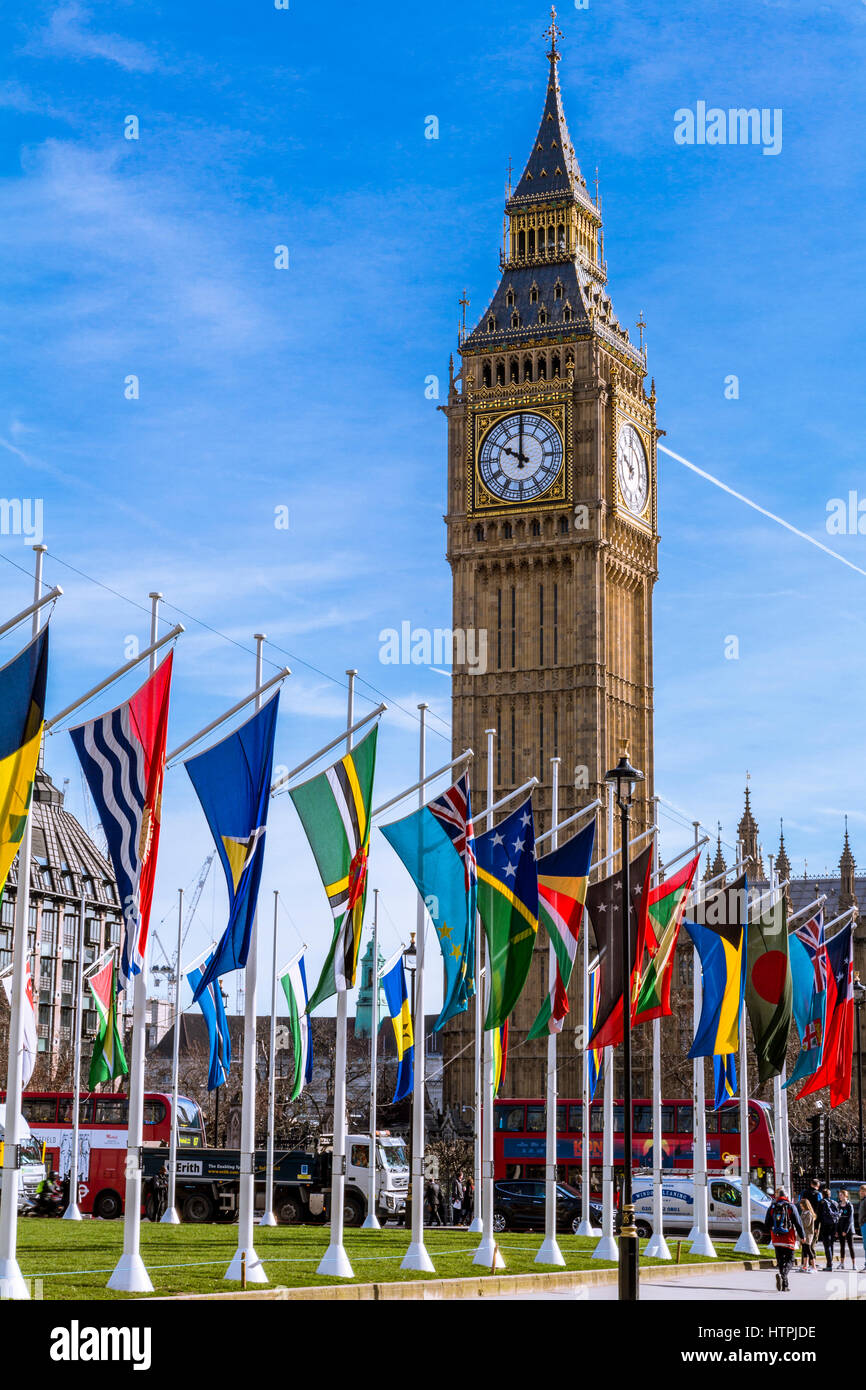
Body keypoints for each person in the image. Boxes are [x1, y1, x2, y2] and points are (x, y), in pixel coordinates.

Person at [763, 1187, 804, 1292]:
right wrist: (802, 1236)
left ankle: (785, 1284)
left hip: (776, 1238)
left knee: (780, 1260)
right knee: (790, 1260)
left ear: (778, 1196)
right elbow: (798, 1223)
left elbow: (767, 1223)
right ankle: (784, 1276)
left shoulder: (772, 1206)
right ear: (786, 1196)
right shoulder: (791, 1206)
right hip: (788, 1238)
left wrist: (770, 1232)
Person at [817, 1185, 839, 1270]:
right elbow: (837, 1216)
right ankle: (830, 1263)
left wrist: (816, 1227)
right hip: (833, 1225)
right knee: (831, 1244)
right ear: (830, 1194)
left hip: (825, 1225)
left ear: (823, 1195)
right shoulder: (835, 1202)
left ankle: (829, 1265)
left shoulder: (821, 1202)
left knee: (827, 1245)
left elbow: (818, 1216)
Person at [797, 1196, 818, 1273]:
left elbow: (807, 1224)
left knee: (809, 1250)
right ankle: (804, 1266)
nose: (801, 1207)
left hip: (808, 1234)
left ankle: (814, 1267)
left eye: (802, 1206)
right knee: (804, 1250)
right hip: (803, 1234)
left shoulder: (809, 1213)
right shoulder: (803, 1212)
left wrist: (799, 1222)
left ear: (805, 1205)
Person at [837, 1189, 856, 1270]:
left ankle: (854, 1264)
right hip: (841, 1229)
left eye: (841, 1195)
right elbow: (837, 1219)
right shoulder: (839, 1205)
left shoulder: (849, 1205)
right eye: (839, 1195)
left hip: (848, 1230)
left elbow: (850, 1219)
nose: (840, 1196)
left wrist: (845, 1230)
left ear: (845, 1196)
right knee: (842, 1247)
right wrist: (837, 1231)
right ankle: (842, 1263)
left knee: (851, 1246)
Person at [858, 1185, 866, 1271]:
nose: (861, 1192)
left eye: (863, 1191)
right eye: (860, 1191)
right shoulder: (863, 1200)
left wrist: (863, 1221)